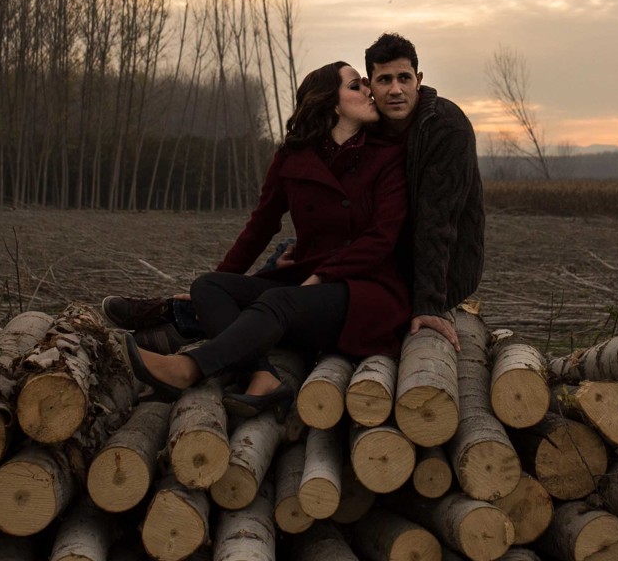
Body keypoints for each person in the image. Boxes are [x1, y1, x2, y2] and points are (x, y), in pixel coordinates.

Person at [114, 61, 411, 413]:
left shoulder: (387, 157)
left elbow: (381, 238)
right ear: (331, 102)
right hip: (308, 285)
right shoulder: (292, 157)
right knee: (209, 286)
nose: (368, 91)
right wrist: (226, 275)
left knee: (278, 301)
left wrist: (321, 276)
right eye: (355, 85)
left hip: (366, 291)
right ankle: (262, 375)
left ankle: (189, 367)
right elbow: (260, 226)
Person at [362, 32, 484, 349]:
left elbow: (438, 221)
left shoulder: (446, 126)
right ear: (370, 85)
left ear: (418, 79)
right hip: (387, 260)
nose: (396, 89)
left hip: (446, 272)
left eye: (404, 78)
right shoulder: (365, 129)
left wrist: (429, 304)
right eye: (384, 80)